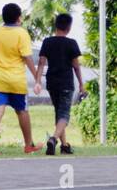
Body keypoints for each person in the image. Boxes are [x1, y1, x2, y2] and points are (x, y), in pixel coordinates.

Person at [0, 3, 43, 155]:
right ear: (18, 17)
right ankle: (28, 145)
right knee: (22, 112)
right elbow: (27, 57)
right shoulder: (21, 33)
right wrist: (37, 77)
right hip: (16, 80)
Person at [34, 13, 85, 156]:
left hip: (52, 82)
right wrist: (81, 84)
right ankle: (54, 139)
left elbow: (42, 62)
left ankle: (64, 146)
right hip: (66, 82)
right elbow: (76, 66)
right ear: (69, 27)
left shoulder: (47, 42)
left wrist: (38, 81)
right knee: (64, 115)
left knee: (58, 113)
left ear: (56, 25)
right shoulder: (72, 43)